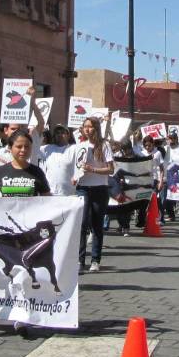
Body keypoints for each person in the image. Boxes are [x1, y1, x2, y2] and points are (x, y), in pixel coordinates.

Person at [74, 116, 114, 272]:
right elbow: (76, 165)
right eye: (85, 126)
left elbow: (111, 169)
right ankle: (79, 259)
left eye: (90, 126)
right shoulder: (80, 145)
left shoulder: (104, 145)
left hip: (99, 188)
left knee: (96, 225)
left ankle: (95, 259)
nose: (87, 129)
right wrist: (74, 176)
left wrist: (94, 170)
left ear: (96, 128)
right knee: (82, 223)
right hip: (83, 187)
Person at [37, 125, 78, 196]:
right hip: (50, 192)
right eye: (57, 133)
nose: (60, 135)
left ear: (68, 135)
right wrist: (39, 130)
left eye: (62, 133)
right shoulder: (47, 148)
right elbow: (34, 146)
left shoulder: (74, 148)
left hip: (68, 193)